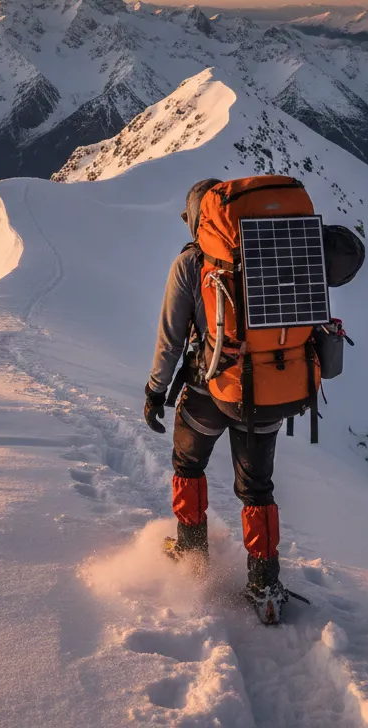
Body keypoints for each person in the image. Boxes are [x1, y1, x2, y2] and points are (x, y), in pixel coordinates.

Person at [143, 178, 286, 603]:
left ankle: (191, 553)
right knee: (258, 488)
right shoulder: (270, 253)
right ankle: (264, 585)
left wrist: (155, 390)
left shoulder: (190, 264)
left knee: (188, 463)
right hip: (268, 390)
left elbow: (170, 338)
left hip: (210, 390)